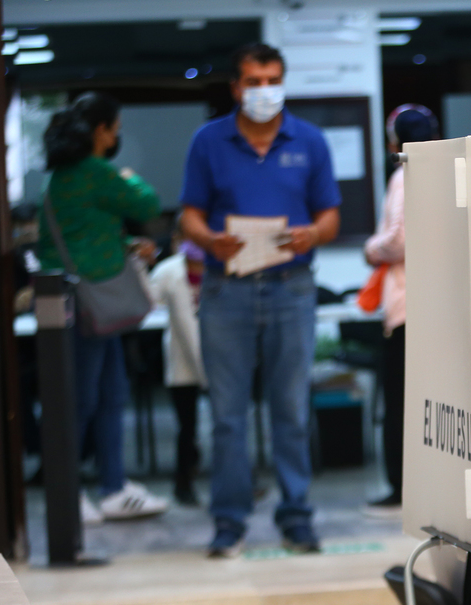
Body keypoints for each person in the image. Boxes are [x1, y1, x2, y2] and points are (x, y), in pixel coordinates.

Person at [179, 43, 341, 557]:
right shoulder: (209, 141)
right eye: (253, 81)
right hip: (227, 290)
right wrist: (209, 241)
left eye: (273, 79)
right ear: (236, 87)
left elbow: (331, 217)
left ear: (283, 82)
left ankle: (296, 516)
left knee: (290, 409)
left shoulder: (310, 141)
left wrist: (311, 235)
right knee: (227, 414)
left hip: (291, 288)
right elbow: (189, 216)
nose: (264, 90)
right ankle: (229, 521)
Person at [38, 91, 169, 521]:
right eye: (115, 129)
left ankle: (112, 488)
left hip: (82, 301)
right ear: (101, 131)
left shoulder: (59, 176)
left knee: (109, 393)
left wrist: (125, 244)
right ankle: (71, 491)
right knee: (83, 398)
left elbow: (81, 235)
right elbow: (146, 203)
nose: (116, 137)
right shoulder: (94, 171)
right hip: (88, 304)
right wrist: (130, 176)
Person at [363, 104, 437, 515]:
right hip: (438, 308)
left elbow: (397, 239)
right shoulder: (450, 168)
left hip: (407, 307)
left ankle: (401, 487)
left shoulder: (405, 174)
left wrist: (370, 250)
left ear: (395, 142)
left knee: (399, 402)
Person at [149, 237, 207, 506]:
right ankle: (183, 482)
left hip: (219, 356)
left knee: (230, 422)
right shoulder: (168, 271)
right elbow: (147, 301)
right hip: (182, 358)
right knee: (187, 426)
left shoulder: (220, 265)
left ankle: (239, 480)